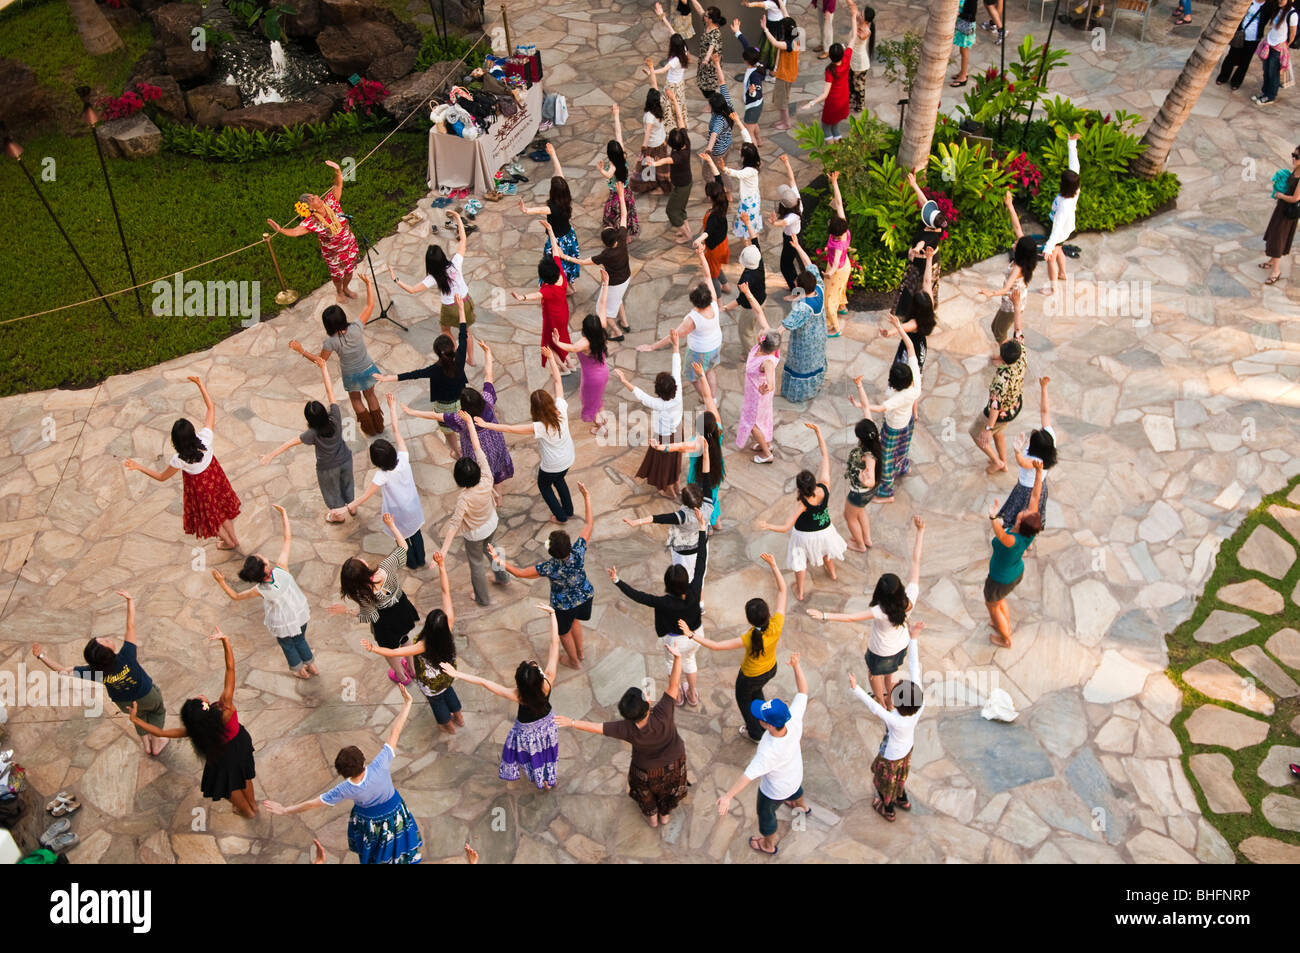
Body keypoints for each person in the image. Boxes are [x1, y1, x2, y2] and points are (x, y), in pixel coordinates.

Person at [264, 684, 423, 863]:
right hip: (395, 814)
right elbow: (395, 731)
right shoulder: (380, 765)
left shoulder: (344, 789)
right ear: (363, 762)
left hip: (370, 824)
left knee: (377, 854)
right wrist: (407, 703)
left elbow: (312, 803)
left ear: (343, 773)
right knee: (399, 846)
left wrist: (285, 810)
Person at [128, 628, 258, 818]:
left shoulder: (194, 730)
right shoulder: (225, 708)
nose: (200, 696)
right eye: (199, 699)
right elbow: (231, 669)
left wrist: (136, 719)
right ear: (206, 706)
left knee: (231, 786)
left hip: (222, 759)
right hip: (240, 744)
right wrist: (225, 641)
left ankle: (245, 811)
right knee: (245, 776)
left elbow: (161, 732)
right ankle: (253, 805)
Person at [556, 644, 689, 828]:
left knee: (645, 793)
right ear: (648, 703)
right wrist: (678, 658)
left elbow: (595, 727)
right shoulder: (663, 711)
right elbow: (674, 684)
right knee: (670, 791)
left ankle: (652, 819)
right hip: (675, 762)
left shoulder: (625, 728)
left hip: (645, 770)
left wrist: (571, 722)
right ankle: (665, 816)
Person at [31, 590, 168, 756]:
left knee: (137, 716)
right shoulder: (127, 655)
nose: (107, 639)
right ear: (109, 652)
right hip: (147, 695)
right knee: (157, 712)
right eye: (104, 641)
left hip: (124, 703)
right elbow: (130, 625)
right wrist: (130, 600)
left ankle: (146, 743)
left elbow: (62, 670)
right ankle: (157, 742)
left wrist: (41, 656)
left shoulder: (94, 672)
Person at [810, 515, 925, 708]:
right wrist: (920, 532)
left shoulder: (880, 611)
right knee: (890, 673)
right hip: (901, 646)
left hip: (880, 651)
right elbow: (916, 562)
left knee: (874, 675)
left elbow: (850, 618)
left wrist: (823, 615)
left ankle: (881, 701)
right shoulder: (909, 601)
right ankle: (890, 699)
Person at [443, 604, 562, 790]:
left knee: (534, 756)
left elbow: (485, 683)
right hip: (548, 726)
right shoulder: (548, 682)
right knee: (547, 753)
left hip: (527, 732)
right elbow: (555, 644)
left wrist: (458, 675)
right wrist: (553, 615)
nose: (536, 664)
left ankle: (540, 780)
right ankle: (548, 780)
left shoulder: (518, 695)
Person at [122, 375, 241, 551]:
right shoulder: (205, 439)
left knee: (211, 518)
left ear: (176, 441)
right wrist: (200, 384)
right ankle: (234, 539)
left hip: (200, 490)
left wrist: (139, 467)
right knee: (222, 513)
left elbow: (162, 477)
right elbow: (211, 408)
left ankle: (228, 543)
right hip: (215, 480)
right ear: (193, 433)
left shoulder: (179, 460)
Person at [489, 484, 595, 669]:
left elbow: (520, 573)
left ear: (552, 552)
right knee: (576, 621)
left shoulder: (549, 567)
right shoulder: (578, 551)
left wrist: (499, 560)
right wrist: (586, 496)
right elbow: (589, 524)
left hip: (564, 606)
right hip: (585, 596)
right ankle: (581, 652)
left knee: (564, 633)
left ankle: (574, 661)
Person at [715, 653, 810, 856]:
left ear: (768, 724)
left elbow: (746, 776)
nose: (758, 718)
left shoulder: (768, 752)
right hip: (795, 776)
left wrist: (727, 796)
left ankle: (768, 844)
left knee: (766, 815)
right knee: (795, 790)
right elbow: (803, 692)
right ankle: (802, 807)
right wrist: (796, 666)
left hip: (774, 791)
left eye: (761, 717)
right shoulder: (792, 721)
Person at [362, 552, 465, 735]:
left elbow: (394, 653)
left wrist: (374, 648)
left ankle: (447, 725)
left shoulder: (423, 645)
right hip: (448, 675)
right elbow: (445, 592)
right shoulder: (448, 626)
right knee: (450, 693)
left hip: (431, 684)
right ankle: (459, 717)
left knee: (437, 703)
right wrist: (442, 567)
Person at [610, 514, 708, 706]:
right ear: (685, 580)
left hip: (675, 641)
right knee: (690, 661)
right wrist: (702, 530)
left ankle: (678, 696)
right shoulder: (696, 589)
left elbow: (638, 596)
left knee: (673, 665)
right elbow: (701, 560)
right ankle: (693, 695)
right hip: (696, 635)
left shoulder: (663, 602)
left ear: (668, 584)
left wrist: (617, 581)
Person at [211, 504, 318, 678]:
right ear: (266, 566)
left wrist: (221, 582)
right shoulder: (282, 569)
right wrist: (284, 514)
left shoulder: (259, 590)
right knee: (300, 639)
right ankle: (311, 666)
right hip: (299, 613)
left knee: (288, 645)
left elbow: (236, 596)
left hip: (283, 623)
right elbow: (287, 539)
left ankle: (300, 670)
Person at [690, 552, 786, 741]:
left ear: (749, 620)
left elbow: (717, 646)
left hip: (750, 676)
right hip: (770, 669)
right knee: (757, 694)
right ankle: (766, 720)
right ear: (768, 613)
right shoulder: (777, 624)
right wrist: (774, 566)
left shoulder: (750, 637)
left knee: (745, 703)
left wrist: (692, 635)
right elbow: (782, 591)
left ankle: (756, 733)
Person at [400, 339, 514, 496]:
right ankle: (499, 495)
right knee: (497, 467)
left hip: (477, 452)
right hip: (496, 443)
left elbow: (435, 415)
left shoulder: (462, 419)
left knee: (482, 472)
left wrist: (412, 412)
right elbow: (489, 374)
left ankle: (488, 494)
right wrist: (488, 353)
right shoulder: (488, 400)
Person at [474, 353, 576, 524]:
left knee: (545, 486)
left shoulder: (540, 426)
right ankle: (569, 510)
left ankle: (561, 516)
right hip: (568, 458)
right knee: (559, 480)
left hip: (552, 465)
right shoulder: (561, 409)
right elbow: (558, 381)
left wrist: (486, 425)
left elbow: (509, 428)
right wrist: (551, 358)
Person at [267, 341, 356, 523]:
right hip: (346, 459)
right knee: (348, 485)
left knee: (332, 495)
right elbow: (330, 391)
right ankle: (353, 508)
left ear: (310, 420)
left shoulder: (312, 434)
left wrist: (270, 456)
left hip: (327, 469)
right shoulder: (336, 417)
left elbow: (290, 442)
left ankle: (338, 517)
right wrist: (324, 368)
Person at [758, 422, 847, 600]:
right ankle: (833, 574)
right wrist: (818, 432)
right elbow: (824, 455)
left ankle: (799, 592)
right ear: (814, 482)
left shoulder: (802, 504)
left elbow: (785, 527)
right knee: (826, 552)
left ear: (799, 488)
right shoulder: (824, 487)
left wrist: (767, 525)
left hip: (804, 537)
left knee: (800, 563)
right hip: (825, 530)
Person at [331, 512, 421, 684]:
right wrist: (392, 525)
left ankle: (402, 676)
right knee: (405, 637)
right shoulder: (385, 568)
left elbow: (368, 615)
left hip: (385, 624)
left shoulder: (362, 593)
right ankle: (413, 668)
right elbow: (403, 547)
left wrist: (347, 611)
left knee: (389, 650)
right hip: (402, 610)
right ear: (364, 566)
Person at [431, 414, 510, 606]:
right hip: (491, 522)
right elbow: (477, 447)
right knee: (492, 550)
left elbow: (453, 527)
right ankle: (503, 576)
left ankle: (482, 597)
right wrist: (469, 423)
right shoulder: (486, 476)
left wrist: (442, 552)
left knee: (476, 564)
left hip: (475, 533)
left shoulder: (464, 499)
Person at [376, 296, 470, 459]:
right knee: (463, 425)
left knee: (448, 431)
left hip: (443, 408)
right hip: (461, 401)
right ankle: (466, 446)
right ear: (453, 348)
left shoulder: (434, 369)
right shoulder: (460, 357)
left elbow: (413, 375)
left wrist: (388, 378)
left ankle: (456, 451)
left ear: (436, 352)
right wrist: (461, 308)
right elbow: (463, 334)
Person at [849, 634, 924, 822]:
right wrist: (913, 639)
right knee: (900, 777)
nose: (896, 683)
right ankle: (902, 799)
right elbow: (915, 669)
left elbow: (875, 707)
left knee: (884, 783)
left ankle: (888, 809)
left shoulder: (894, 719)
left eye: (896, 688)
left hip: (891, 755)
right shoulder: (919, 706)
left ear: (898, 703)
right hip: (907, 751)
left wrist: (855, 688)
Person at [348, 395, 427, 568]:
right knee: (416, 533)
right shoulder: (404, 458)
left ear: (376, 462)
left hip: (397, 513)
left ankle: (412, 563)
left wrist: (348, 507)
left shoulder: (381, 476)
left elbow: (365, 497)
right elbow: (397, 432)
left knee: (402, 538)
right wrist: (392, 408)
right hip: (412, 506)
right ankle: (421, 559)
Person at [267, 160, 359, 303]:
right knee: (338, 275)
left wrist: (337, 171)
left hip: (348, 244)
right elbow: (296, 232)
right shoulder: (311, 222)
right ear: (310, 208)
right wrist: (280, 230)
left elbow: (337, 185)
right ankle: (340, 292)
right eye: (314, 198)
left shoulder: (331, 202)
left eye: (314, 195)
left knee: (349, 271)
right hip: (333, 253)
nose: (317, 196)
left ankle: (346, 288)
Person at [390, 212, 478, 361]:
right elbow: (463, 239)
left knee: (445, 329)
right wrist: (457, 217)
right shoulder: (456, 263)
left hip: (450, 307)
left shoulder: (433, 277)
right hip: (465, 301)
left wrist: (396, 280)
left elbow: (412, 290)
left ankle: (455, 351)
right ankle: (471, 359)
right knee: (467, 332)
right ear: (443, 256)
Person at [545, 188, 633, 337]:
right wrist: (621, 194)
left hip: (615, 283)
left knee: (602, 310)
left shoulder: (606, 255)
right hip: (626, 278)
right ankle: (625, 323)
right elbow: (624, 215)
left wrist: (563, 256)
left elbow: (583, 262)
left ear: (606, 243)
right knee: (617, 300)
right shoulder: (622, 238)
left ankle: (617, 333)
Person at [855, 312, 922, 502]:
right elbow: (910, 348)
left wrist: (860, 403)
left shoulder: (898, 396)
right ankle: (902, 467)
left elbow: (881, 408)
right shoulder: (915, 382)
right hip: (907, 423)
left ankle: (886, 493)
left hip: (892, 428)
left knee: (885, 458)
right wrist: (899, 327)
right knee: (902, 449)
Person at [641, 250, 723, 400]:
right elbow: (707, 275)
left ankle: (708, 400)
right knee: (710, 370)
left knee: (693, 377)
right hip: (716, 345)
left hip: (700, 352)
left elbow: (674, 336)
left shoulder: (693, 319)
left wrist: (652, 346)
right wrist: (701, 254)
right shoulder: (714, 302)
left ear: (694, 301)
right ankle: (713, 398)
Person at [310, 272, 384, 436]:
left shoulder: (330, 342)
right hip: (368, 368)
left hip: (351, 375)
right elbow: (370, 306)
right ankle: (379, 426)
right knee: (370, 395)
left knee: (356, 399)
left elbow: (320, 360)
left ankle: (369, 429)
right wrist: (368, 285)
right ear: (343, 317)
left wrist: (301, 351)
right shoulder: (357, 326)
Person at [619, 330, 684, 499]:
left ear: (658, 390)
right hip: (678, 431)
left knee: (665, 463)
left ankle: (668, 489)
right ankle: (677, 485)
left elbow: (640, 395)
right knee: (675, 459)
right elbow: (677, 367)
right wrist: (676, 346)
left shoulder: (658, 403)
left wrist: (625, 381)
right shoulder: (678, 392)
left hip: (664, 437)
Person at [986, 463, 1044, 648]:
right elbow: (1035, 495)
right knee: (999, 600)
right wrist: (1038, 472)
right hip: (1014, 573)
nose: (1026, 509)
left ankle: (1005, 638)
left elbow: (1000, 534)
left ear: (1020, 520)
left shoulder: (1012, 539)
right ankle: (1000, 623)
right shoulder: (1030, 531)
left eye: (1026, 512)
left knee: (992, 604)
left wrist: (993, 517)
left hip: (1000, 579)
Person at [660, 359, 725, 526]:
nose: (698, 414)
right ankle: (717, 522)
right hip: (716, 472)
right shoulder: (718, 428)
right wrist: (702, 376)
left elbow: (680, 447)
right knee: (713, 496)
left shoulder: (698, 442)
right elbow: (707, 396)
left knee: (701, 501)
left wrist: (663, 446)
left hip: (699, 476)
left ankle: (708, 526)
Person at [549, 272, 614, 436]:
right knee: (597, 399)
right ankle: (604, 419)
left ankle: (601, 428)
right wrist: (605, 284)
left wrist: (557, 343)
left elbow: (570, 348)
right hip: (603, 372)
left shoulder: (584, 343)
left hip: (592, 379)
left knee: (589, 403)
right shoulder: (602, 329)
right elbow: (603, 305)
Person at [976, 191, 1036, 345]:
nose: (1014, 243)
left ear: (1021, 251)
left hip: (1012, 303)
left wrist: (991, 293)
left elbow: (1006, 288)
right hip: (1011, 300)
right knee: (995, 327)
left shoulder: (1018, 268)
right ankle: (1005, 350)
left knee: (999, 332)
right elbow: (1017, 226)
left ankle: (1007, 354)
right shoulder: (1025, 260)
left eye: (1016, 244)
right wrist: (1010, 205)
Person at [519, 144, 581, 286]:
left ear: (553, 191)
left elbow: (536, 210)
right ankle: (570, 285)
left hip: (556, 241)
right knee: (568, 261)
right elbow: (559, 173)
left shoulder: (551, 207)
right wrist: (553, 154)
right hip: (569, 236)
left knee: (554, 266)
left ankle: (563, 287)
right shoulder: (566, 197)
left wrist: (525, 210)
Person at [998, 377, 1055, 530]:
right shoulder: (1050, 438)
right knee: (1033, 516)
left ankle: (1019, 536)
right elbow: (1045, 412)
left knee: (1021, 515)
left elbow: (1023, 463)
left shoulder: (1036, 460)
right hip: (1039, 486)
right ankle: (1028, 538)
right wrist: (1044, 387)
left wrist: (1017, 450)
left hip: (1027, 490)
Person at [511, 239, 573, 372]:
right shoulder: (560, 273)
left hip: (552, 319)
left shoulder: (548, 290)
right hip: (563, 313)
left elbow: (536, 295)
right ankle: (570, 363)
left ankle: (564, 368)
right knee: (561, 337)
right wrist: (551, 231)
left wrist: (522, 298)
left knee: (548, 345)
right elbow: (556, 252)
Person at [622, 486, 712, 578]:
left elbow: (658, 518)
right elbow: (707, 480)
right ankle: (699, 590)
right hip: (702, 546)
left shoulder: (681, 517)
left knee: (684, 577)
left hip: (684, 553)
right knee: (700, 575)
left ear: (684, 501)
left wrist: (636, 522)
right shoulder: (709, 505)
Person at [971, 331, 1028, 474]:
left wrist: (988, 428)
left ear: (1001, 357)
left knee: (977, 434)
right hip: (1014, 406)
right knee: (999, 433)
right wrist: (1016, 308)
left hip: (1000, 413)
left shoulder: (1000, 380)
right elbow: (1019, 330)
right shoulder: (1021, 356)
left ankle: (998, 462)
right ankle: (1005, 462)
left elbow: (995, 406)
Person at [780, 237, 828, 402]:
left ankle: (799, 394)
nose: (794, 281)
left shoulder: (803, 307)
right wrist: (798, 247)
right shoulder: (819, 287)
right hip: (819, 336)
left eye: (796, 281)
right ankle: (814, 386)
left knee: (801, 366)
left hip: (805, 342)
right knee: (815, 363)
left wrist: (769, 336)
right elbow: (810, 266)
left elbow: (786, 324)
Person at [877, 245, 936, 381]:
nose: (920, 290)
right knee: (916, 376)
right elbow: (927, 281)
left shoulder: (914, 323)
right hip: (921, 346)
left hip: (911, 349)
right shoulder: (929, 306)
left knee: (907, 377)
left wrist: (889, 332)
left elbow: (901, 328)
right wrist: (929, 259)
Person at [896, 170, 948, 319]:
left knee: (921, 290)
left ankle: (918, 314)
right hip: (925, 259)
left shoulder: (930, 235)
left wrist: (914, 250)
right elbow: (926, 203)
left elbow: (921, 243)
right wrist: (914, 185)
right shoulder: (937, 220)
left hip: (925, 263)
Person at [736, 294, 780, 463]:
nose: (762, 328)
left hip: (758, 396)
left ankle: (767, 455)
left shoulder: (767, 360)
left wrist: (767, 386)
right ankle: (765, 443)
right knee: (763, 419)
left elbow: (770, 377)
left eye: (762, 331)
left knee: (752, 423)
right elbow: (758, 312)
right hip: (756, 393)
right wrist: (748, 293)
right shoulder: (769, 347)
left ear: (762, 340)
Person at [649, 89, 695, 244]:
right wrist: (674, 100)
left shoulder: (678, 156)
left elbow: (665, 161)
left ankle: (687, 235)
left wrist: (653, 163)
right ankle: (687, 232)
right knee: (680, 209)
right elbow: (680, 118)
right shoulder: (685, 141)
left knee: (672, 211)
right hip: (683, 183)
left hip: (682, 186)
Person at [1039, 134, 1082, 297]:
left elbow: (1056, 228)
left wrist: (1049, 247)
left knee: (1051, 258)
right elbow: (1075, 167)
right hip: (1066, 228)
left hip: (1060, 230)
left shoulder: (1064, 204)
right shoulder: (1075, 191)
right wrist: (1072, 144)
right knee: (1060, 250)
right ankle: (1063, 273)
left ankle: (1053, 288)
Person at [646, 8, 693, 130]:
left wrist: (651, 71)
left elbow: (663, 70)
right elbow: (672, 30)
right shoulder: (683, 48)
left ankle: (670, 129)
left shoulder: (675, 60)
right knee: (678, 105)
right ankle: (681, 125)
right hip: (680, 84)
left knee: (668, 107)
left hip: (672, 85)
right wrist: (662, 16)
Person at [842, 414, 883, 551]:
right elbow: (868, 415)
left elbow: (870, 480)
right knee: (860, 512)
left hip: (860, 492)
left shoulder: (868, 456)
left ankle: (860, 545)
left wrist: (863, 480)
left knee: (849, 517)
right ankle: (866, 539)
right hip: (868, 494)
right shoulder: (876, 443)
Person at [599, 106, 641, 238]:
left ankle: (619, 236)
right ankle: (628, 235)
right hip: (626, 190)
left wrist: (600, 169)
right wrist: (616, 115)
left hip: (616, 194)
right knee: (627, 212)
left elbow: (608, 175)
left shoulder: (612, 165)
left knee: (615, 215)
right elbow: (619, 134)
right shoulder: (622, 156)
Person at [1262, 143, 1300, 284]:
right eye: (1293, 155)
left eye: (1296, 156)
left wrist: (1280, 195)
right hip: (1282, 209)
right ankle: (1272, 261)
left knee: (1278, 238)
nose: (1293, 158)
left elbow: (1296, 198)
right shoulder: (1295, 170)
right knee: (1274, 234)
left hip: (1287, 213)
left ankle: (1276, 271)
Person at [799, 42, 850, 141]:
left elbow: (825, 94)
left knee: (826, 128)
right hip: (843, 100)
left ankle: (832, 154)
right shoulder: (846, 59)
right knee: (835, 127)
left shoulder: (830, 71)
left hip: (833, 103)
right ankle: (840, 152)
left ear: (830, 56)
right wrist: (855, 27)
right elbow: (852, 41)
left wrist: (811, 103)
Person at [822, 171, 852, 335]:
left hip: (838, 268)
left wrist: (828, 274)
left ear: (833, 233)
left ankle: (835, 327)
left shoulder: (838, 244)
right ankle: (842, 306)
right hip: (845, 263)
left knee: (828, 299)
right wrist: (834, 183)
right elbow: (839, 204)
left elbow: (834, 264)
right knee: (841, 288)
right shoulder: (844, 227)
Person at [1217, 1, 1272, 91]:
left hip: (1254, 38)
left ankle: (1236, 81)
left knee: (1245, 61)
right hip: (1240, 34)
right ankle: (1223, 76)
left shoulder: (1269, 5)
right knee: (1231, 56)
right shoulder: (1249, 1)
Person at [768, 155, 804, 294]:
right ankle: (795, 284)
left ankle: (795, 288)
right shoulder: (797, 200)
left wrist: (774, 222)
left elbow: (784, 222)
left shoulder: (793, 216)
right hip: (791, 236)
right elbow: (792, 179)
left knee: (785, 265)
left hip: (792, 239)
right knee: (788, 263)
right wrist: (786, 162)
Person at [728, 229, 768, 352]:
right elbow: (754, 239)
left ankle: (752, 355)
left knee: (745, 331)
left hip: (750, 309)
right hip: (762, 300)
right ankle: (756, 347)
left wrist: (725, 308)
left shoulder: (745, 280)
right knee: (751, 329)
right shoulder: (759, 261)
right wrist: (747, 222)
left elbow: (740, 300)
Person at [701, 55, 739, 179]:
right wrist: (717, 63)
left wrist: (708, 150)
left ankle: (721, 191)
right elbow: (722, 82)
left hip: (717, 151)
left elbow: (714, 135)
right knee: (722, 168)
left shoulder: (718, 119)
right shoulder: (726, 103)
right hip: (727, 144)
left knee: (708, 173)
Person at [695, 178, 733, 294]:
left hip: (715, 248)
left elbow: (708, 231)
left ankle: (719, 301)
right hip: (722, 243)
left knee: (712, 275)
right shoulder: (724, 203)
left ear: (709, 197)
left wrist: (699, 239)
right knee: (715, 266)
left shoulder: (713, 216)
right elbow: (719, 179)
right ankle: (726, 286)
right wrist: (711, 162)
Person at [764, 16, 801, 131]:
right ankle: (784, 120)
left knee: (782, 102)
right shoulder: (797, 38)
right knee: (783, 99)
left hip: (784, 76)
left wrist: (765, 29)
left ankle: (787, 123)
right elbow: (788, 17)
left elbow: (774, 43)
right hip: (789, 74)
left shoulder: (788, 45)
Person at [632, 86, 672, 195]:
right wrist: (645, 152)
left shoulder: (653, 112)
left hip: (656, 145)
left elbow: (650, 131)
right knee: (654, 168)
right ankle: (654, 186)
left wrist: (645, 147)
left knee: (654, 168)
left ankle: (655, 186)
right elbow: (647, 134)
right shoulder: (654, 113)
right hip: (657, 144)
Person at [690, 1, 728, 101]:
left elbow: (711, 47)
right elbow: (699, 9)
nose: (704, 16)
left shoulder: (716, 33)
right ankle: (710, 101)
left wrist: (706, 59)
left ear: (710, 19)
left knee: (709, 86)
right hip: (703, 60)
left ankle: (712, 104)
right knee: (701, 83)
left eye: (706, 16)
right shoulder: (707, 24)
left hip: (711, 62)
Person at [845, 0, 874, 113]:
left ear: (866, 19)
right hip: (852, 59)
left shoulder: (866, 31)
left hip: (860, 63)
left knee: (859, 86)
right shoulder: (860, 20)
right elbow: (852, 5)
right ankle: (851, 101)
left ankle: (860, 106)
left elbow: (853, 35)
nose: (859, 15)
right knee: (850, 82)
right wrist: (851, 4)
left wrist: (853, 18)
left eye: (861, 14)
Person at [951, 0, 978, 86]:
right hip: (962, 24)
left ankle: (963, 77)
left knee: (964, 52)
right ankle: (962, 72)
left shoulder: (971, 1)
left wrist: (958, 14)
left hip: (966, 26)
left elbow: (971, 14)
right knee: (962, 51)